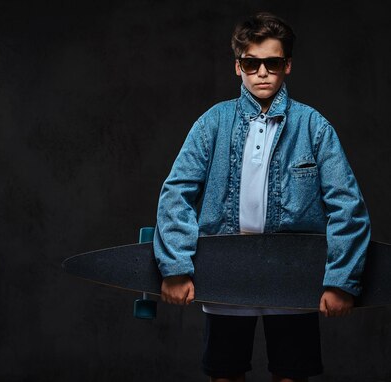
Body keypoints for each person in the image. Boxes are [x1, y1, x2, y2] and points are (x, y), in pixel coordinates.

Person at [152, 11, 371, 382]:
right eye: (252, 63)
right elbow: (176, 192)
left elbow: (347, 206)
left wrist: (340, 281)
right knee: (225, 373)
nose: (262, 72)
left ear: (287, 65)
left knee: (291, 374)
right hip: (224, 268)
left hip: (293, 272)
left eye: (272, 62)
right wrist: (176, 266)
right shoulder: (213, 122)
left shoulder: (313, 126)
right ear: (239, 67)